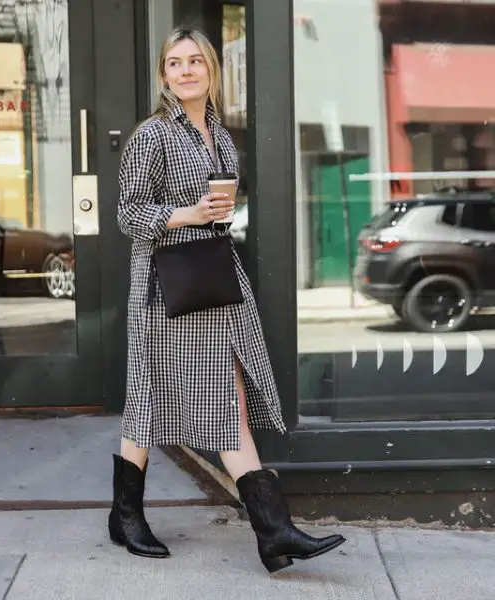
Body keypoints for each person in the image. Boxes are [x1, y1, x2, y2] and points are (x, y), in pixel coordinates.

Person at [109, 26, 346, 574]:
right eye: (175, 63)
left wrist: (217, 208)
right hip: (168, 285)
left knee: (225, 395)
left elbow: (214, 200)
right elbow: (127, 215)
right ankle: (133, 516)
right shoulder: (152, 135)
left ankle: (270, 530)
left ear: (211, 71)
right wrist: (190, 214)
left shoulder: (219, 133)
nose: (186, 70)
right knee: (150, 398)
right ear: (163, 74)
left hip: (214, 276)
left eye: (196, 61)